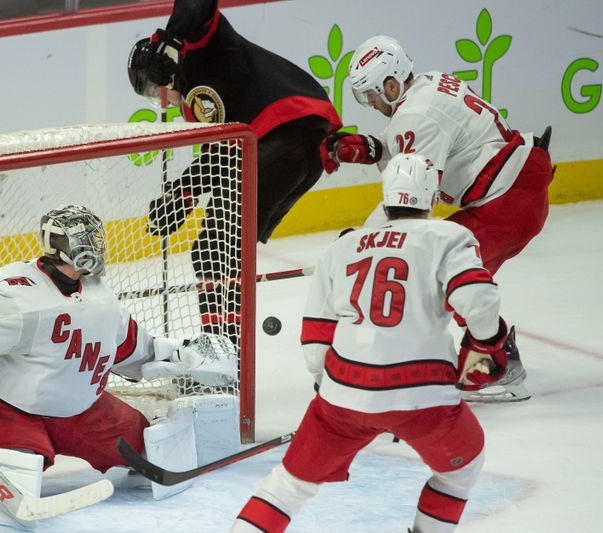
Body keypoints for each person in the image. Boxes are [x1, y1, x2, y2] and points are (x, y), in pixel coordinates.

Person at [0, 204, 238, 525]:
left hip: (85, 411)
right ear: (61, 245)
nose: (96, 246)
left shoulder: (100, 295)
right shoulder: (19, 296)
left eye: (97, 238)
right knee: (22, 465)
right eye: (87, 239)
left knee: (145, 444)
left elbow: (131, 349)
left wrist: (183, 355)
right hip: (11, 409)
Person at [232, 154, 509, 533]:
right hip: (422, 397)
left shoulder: (342, 247)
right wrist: (487, 343)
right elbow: (477, 299)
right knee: (459, 472)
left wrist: (333, 393)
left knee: (287, 487)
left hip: (343, 396)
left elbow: (315, 342)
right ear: (430, 196)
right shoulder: (449, 236)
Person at [322, 35, 555, 402]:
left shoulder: (416, 115)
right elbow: (408, 145)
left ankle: (496, 364)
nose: (370, 103)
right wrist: (369, 148)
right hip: (514, 192)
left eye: (371, 94)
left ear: (392, 84)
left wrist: (362, 241)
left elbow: (411, 201)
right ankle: (488, 353)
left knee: (440, 274)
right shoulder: (429, 83)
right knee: (441, 273)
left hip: (507, 205)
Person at [127, 0, 342, 343]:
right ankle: (228, 345)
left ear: (161, 69)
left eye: (156, 91)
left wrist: (171, 37)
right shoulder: (196, 107)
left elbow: (197, 6)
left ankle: (221, 348)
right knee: (227, 248)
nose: (163, 102)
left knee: (214, 247)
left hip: (287, 136)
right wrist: (182, 195)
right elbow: (222, 160)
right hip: (293, 153)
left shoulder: (199, 47)